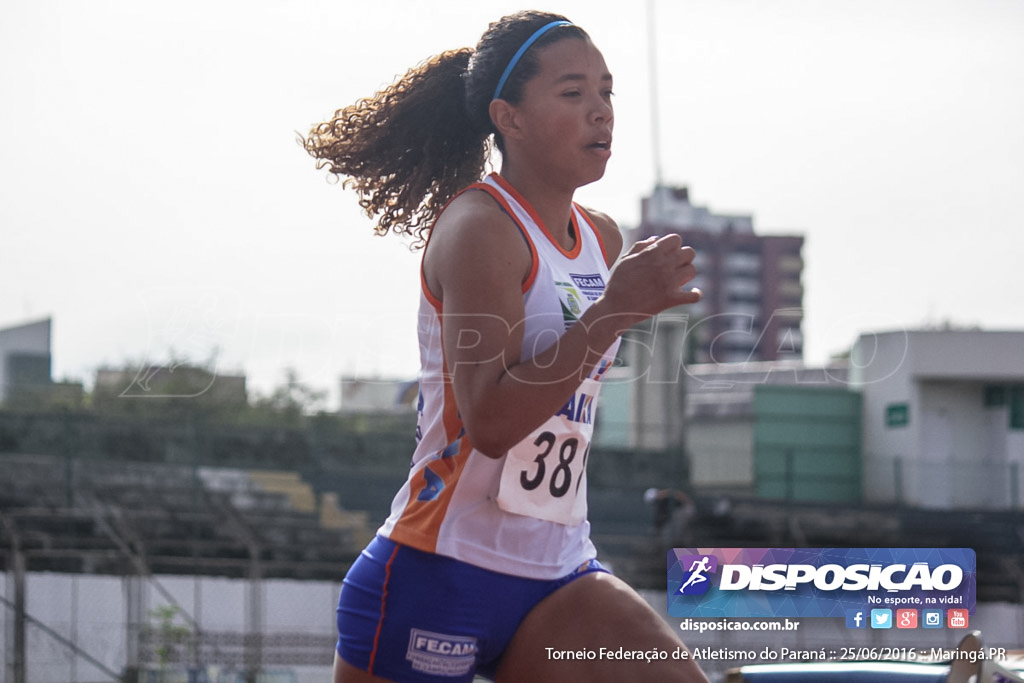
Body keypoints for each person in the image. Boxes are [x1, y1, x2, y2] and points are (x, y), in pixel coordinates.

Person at [304, 10, 706, 683]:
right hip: (441, 567)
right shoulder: (480, 228)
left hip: (557, 570)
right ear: (509, 118)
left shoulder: (602, 237)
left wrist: (614, 309)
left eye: (607, 92)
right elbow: (490, 421)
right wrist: (613, 313)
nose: (601, 113)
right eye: (574, 94)